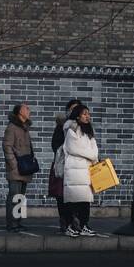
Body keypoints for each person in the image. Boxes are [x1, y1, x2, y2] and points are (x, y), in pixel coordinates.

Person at [62, 103, 100, 237]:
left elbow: (95, 150)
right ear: (77, 116)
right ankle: (70, 227)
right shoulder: (72, 129)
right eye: (84, 114)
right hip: (74, 171)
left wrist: (92, 155)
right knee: (72, 201)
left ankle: (84, 226)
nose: (87, 116)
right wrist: (91, 155)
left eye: (88, 114)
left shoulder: (89, 131)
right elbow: (73, 148)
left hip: (85, 171)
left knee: (85, 201)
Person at [50, 99, 82, 233]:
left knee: (77, 195)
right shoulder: (61, 125)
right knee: (61, 195)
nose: (74, 111)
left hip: (78, 167)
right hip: (63, 165)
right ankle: (64, 220)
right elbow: (55, 145)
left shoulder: (83, 126)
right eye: (72, 108)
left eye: (77, 108)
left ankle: (76, 220)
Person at [3, 103, 35, 232]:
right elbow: (7, 147)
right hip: (16, 169)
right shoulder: (12, 127)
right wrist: (14, 164)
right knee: (14, 196)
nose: (29, 110)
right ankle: (12, 223)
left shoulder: (25, 128)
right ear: (19, 112)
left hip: (25, 168)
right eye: (26, 108)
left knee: (21, 197)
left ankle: (18, 222)